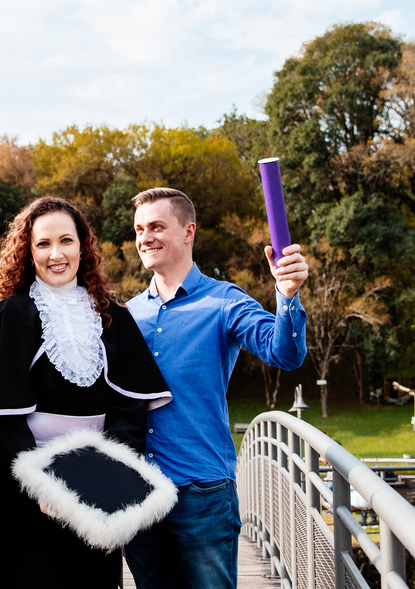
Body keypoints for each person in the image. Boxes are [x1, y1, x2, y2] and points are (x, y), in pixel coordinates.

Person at [0, 196, 172, 589]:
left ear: (82, 245)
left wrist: (108, 477)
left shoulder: (111, 312)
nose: (56, 254)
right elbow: (6, 415)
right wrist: (45, 483)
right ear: (28, 252)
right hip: (30, 484)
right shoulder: (12, 312)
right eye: (43, 244)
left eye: (65, 240)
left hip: (96, 477)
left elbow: (129, 411)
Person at [123, 187, 309, 589]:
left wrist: (287, 297)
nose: (145, 237)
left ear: (188, 231)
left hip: (202, 491)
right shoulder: (128, 314)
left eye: (157, 226)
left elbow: (285, 354)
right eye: (139, 229)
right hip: (139, 492)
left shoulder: (224, 301)